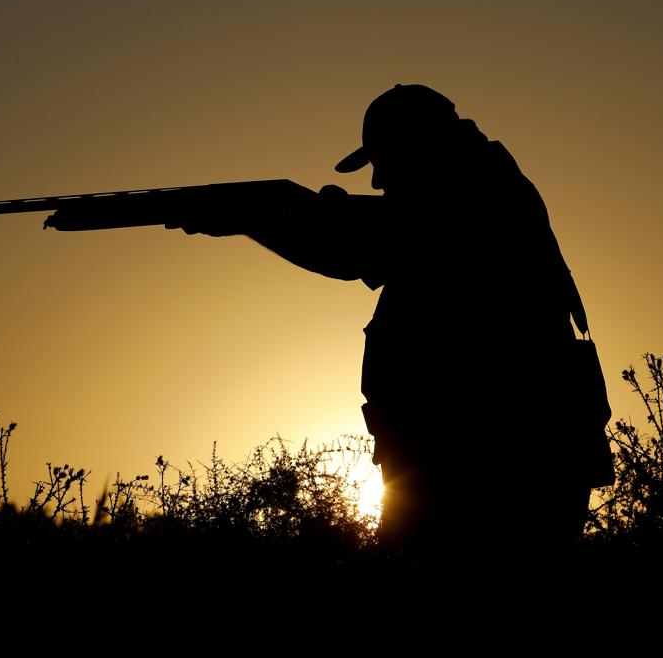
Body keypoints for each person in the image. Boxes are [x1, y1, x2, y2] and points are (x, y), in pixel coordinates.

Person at [175, 84, 612, 560]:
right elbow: (371, 235)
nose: (379, 180)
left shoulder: (474, 195)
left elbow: (351, 247)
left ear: (419, 144)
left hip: (491, 461)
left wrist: (253, 221)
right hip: (495, 455)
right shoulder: (483, 188)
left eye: (384, 160)